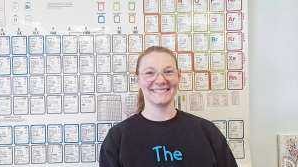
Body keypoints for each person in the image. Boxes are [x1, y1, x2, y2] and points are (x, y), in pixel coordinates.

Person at [99, 46, 238, 167]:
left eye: (168, 72)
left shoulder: (207, 132)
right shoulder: (117, 138)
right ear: (138, 79)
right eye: (149, 73)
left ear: (179, 76)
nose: (160, 80)